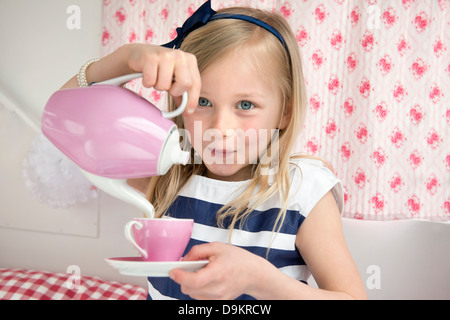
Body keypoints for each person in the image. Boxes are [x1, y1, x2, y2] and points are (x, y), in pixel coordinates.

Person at [62, 1, 366, 300]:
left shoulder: (302, 192)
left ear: (284, 112)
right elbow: (63, 116)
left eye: (245, 105)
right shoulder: (165, 176)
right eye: (203, 102)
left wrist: (260, 280)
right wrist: (125, 59)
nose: (220, 128)